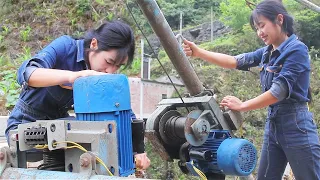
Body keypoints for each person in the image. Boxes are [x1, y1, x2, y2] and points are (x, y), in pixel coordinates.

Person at [183, 1, 320, 179]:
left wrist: (242, 105)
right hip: (273, 126)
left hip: (297, 127)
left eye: (262, 25)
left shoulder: (297, 50)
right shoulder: (266, 52)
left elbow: (278, 91)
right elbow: (234, 61)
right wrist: (199, 52)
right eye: (256, 28)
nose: (259, 32)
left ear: (279, 19)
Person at [5, 20, 150, 170]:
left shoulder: (100, 76)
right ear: (94, 44)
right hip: (26, 126)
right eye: (109, 61)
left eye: (117, 66)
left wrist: (138, 151)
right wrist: (71, 77)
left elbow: (121, 109)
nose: (110, 71)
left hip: (62, 128)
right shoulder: (66, 47)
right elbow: (28, 73)